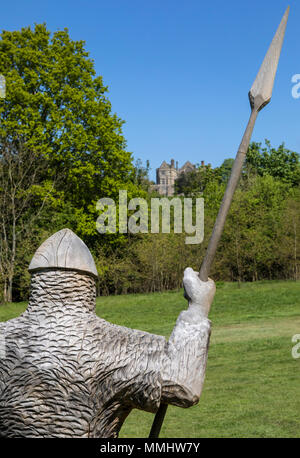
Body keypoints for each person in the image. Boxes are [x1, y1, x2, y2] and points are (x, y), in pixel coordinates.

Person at [0, 228, 215, 438]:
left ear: (36, 281)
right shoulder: (120, 347)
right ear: (89, 284)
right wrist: (197, 310)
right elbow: (184, 385)